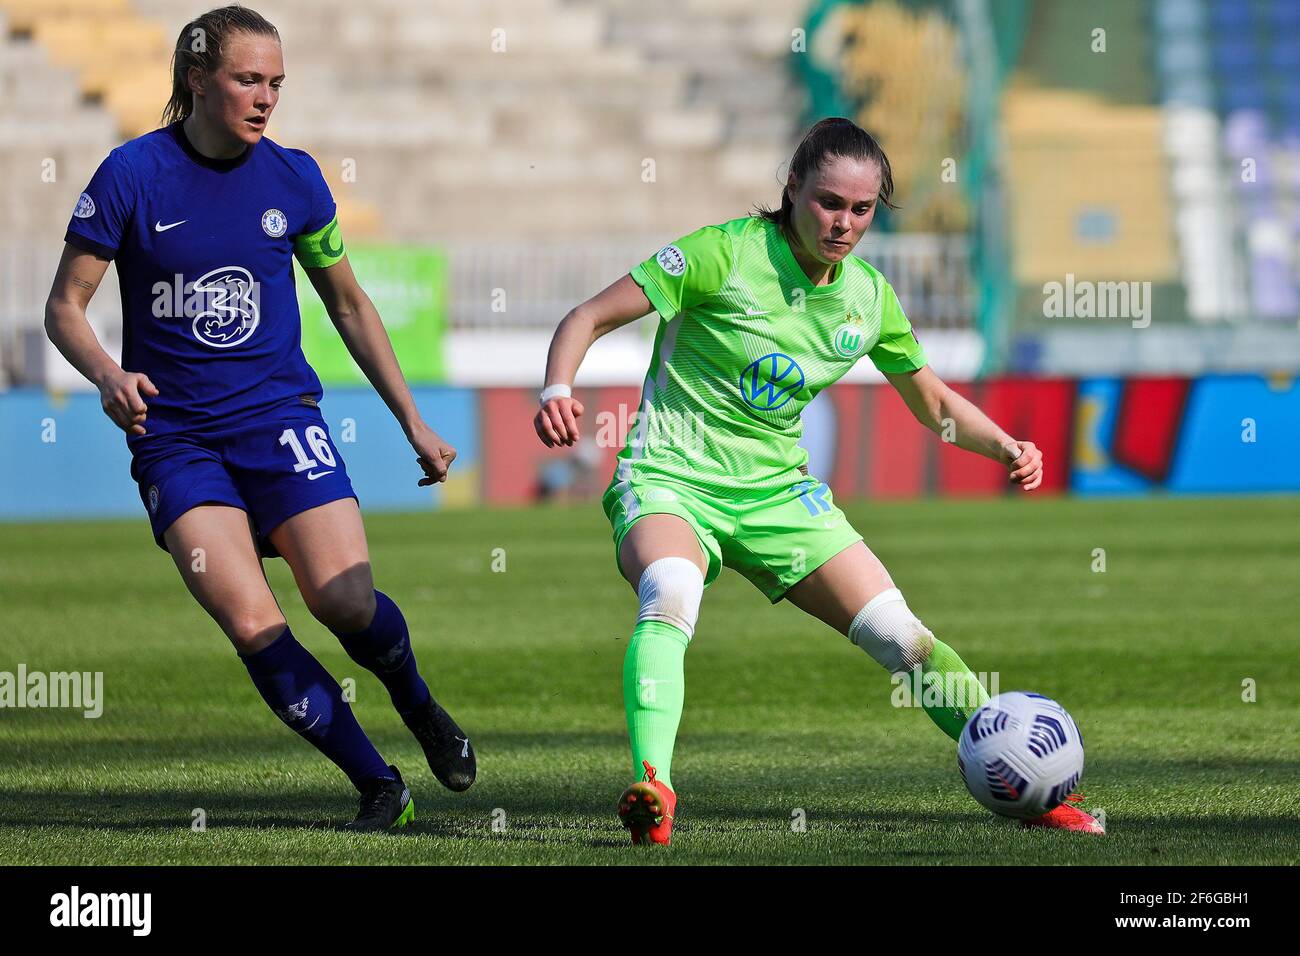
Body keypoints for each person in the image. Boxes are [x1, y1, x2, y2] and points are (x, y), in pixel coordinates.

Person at [533, 117, 1103, 845]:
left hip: (778, 495)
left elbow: (930, 402)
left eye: (862, 210)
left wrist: (1004, 446)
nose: (844, 223)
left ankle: (1033, 793)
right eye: (830, 202)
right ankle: (655, 787)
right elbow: (587, 315)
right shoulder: (722, 254)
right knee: (669, 592)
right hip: (672, 475)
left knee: (905, 640)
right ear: (793, 188)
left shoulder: (867, 299)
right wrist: (557, 389)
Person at [44, 5, 474, 831]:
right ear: (197, 80)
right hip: (176, 439)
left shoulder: (296, 179)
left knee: (346, 603)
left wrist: (412, 422)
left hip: (280, 421)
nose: (266, 97)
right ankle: (379, 783)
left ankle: (418, 704)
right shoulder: (132, 176)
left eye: (277, 82)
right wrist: (106, 373)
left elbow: (348, 305)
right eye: (248, 79)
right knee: (252, 622)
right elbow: (66, 307)